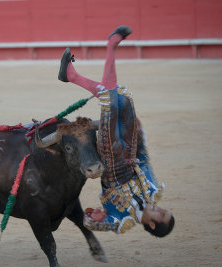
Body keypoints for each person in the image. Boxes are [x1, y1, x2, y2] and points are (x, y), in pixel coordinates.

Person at [58, 26, 174, 236]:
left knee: (110, 103)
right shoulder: (153, 192)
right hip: (130, 149)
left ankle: (110, 46)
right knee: (121, 99)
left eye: (162, 215)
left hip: (112, 161)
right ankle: (71, 75)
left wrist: (95, 217)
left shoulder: (121, 220)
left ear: (153, 225)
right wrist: (140, 132)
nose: (163, 210)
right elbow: (145, 159)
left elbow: (89, 223)